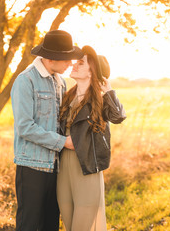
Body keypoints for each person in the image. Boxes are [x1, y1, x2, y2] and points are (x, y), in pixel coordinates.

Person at [10, 30, 84, 231]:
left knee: (51, 224)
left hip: (55, 167)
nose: (70, 63)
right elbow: (25, 127)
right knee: (29, 225)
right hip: (32, 166)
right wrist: (63, 142)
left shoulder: (60, 81)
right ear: (52, 58)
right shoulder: (26, 81)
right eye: (67, 59)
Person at [57, 45, 127, 231]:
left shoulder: (101, 100)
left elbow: (118, 116)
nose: (74, 65)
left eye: (81, 63)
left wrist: (109, 90)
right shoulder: (66, 97)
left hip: (87, 169)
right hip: (63, 169)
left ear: (92, 71)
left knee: (82, 226)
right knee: (69, 223)